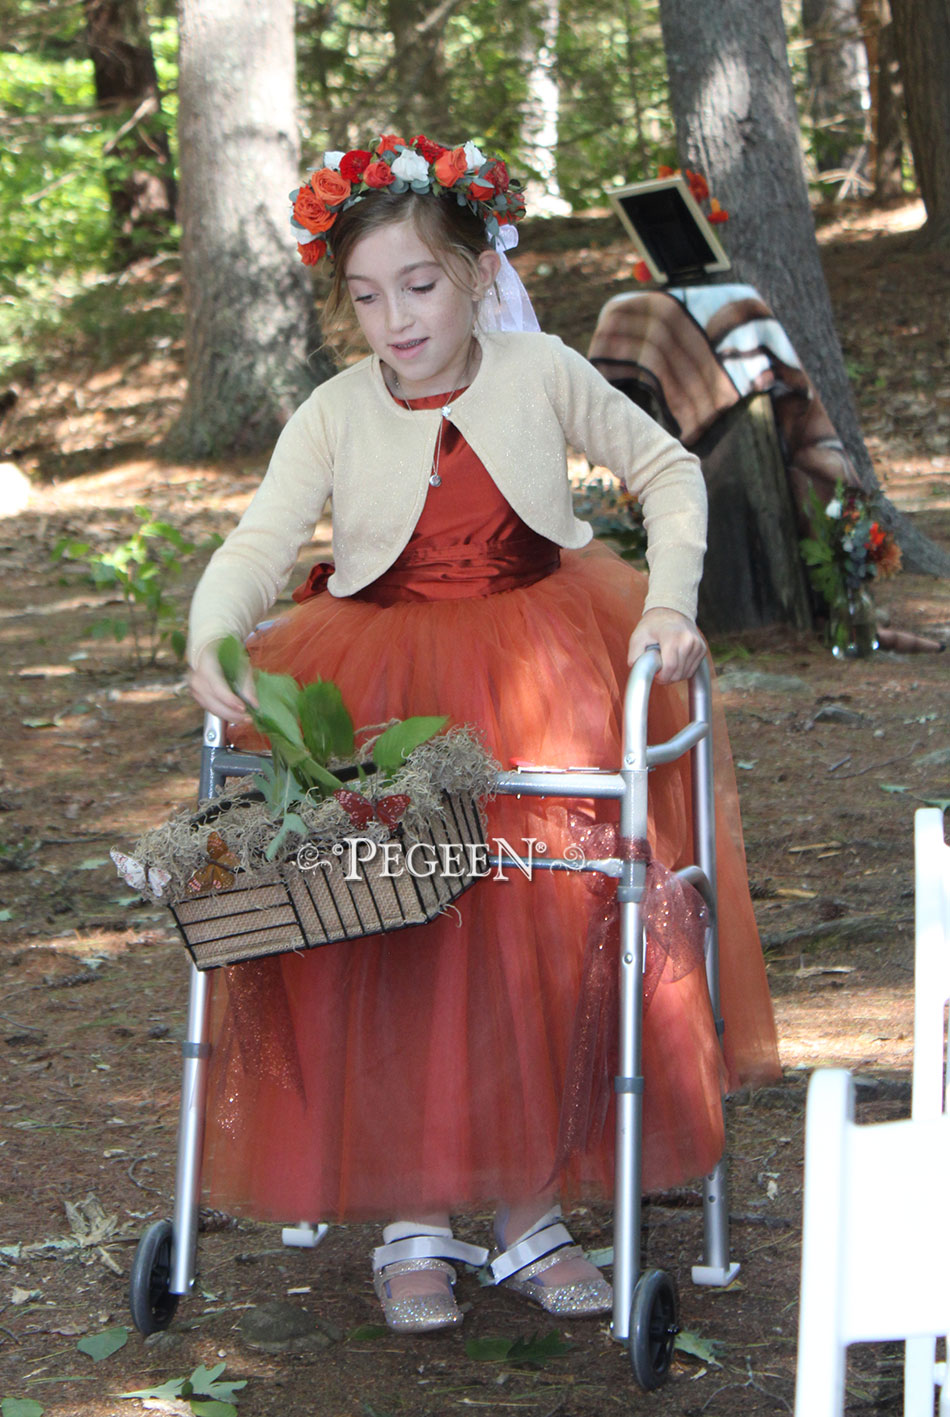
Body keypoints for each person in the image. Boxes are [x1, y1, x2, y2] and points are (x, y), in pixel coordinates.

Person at [185, 134, 780, 1335]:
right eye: (363, 295)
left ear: (472, 271)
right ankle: (411, 1214)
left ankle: (526, 1203)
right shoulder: (334, 409)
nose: (395, 319)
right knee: (394, 933)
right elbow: (259, 543)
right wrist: (212, 633)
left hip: (533, 666)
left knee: (538, 921)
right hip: (382, 684)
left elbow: (666, 471)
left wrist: (668, 597)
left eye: (418, 285)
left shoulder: (540, 368)